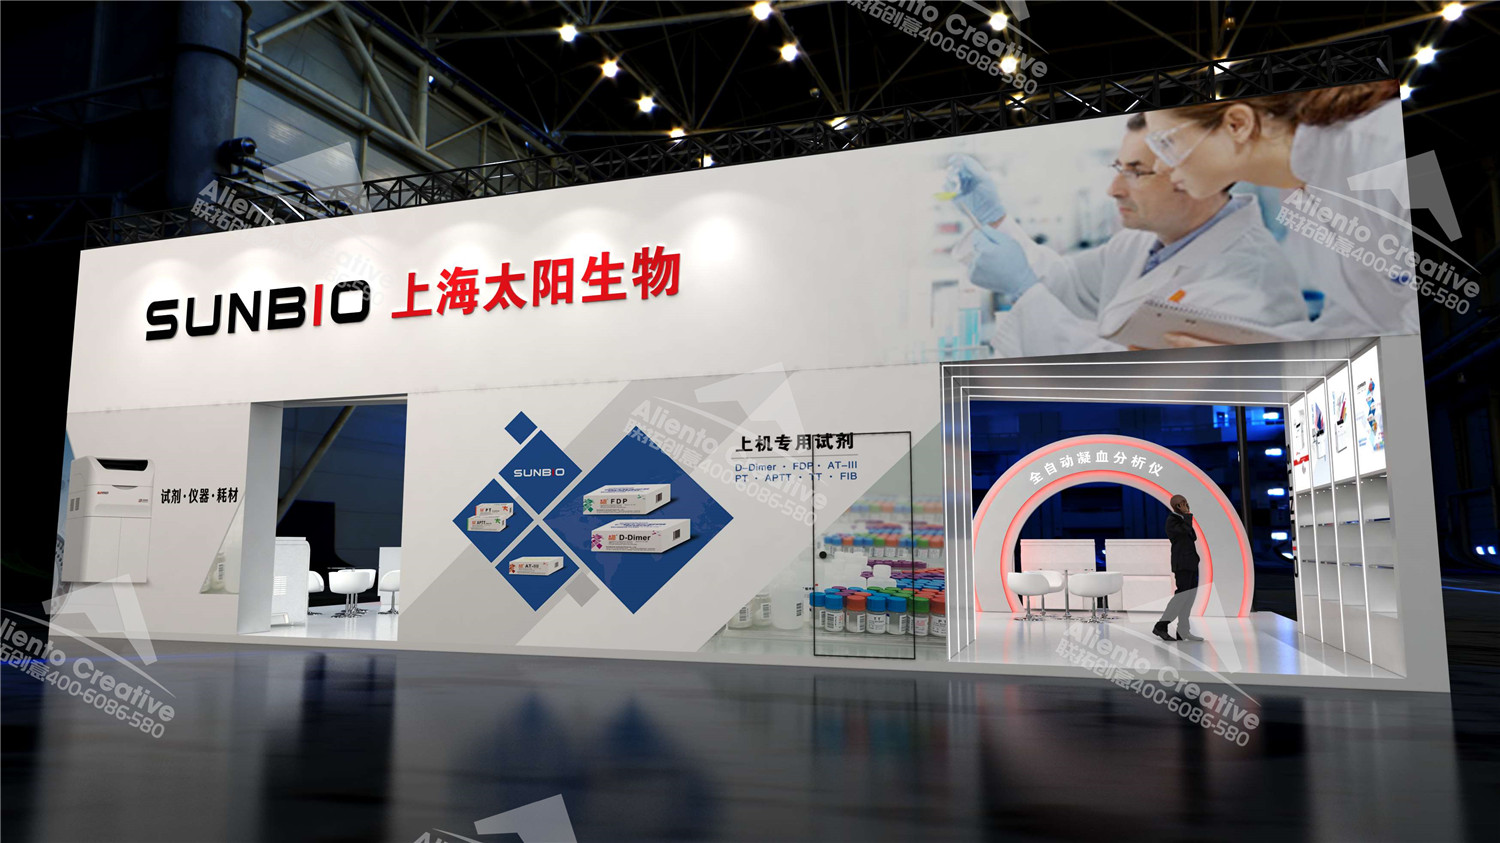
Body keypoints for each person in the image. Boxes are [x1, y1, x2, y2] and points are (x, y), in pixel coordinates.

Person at [946, 113, 1308, 358]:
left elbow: (1119, 382)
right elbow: (1067, 285)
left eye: (1136, 172)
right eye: (1119, 168)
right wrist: (994, 220)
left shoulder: (1248, 281)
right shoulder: (1142, 241)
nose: (1114, 190)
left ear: (1194, 173)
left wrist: (1023, 289)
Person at [1141, 81, 1417, 340]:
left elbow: (1430, 334)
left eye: (1166, 144)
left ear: (1238, 124)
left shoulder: (1391, 150)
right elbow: (1361, 318)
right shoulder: (1297, 190)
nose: (1159, 167)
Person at [1154, 494, 1204, 642]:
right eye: (1183, 503)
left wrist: (1186, 517)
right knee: (1181, 596)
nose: (1186, 505)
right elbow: (1184, 532)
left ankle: (1183, 630)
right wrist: (1187, 516)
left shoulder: (1183, 520)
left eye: (1186, 502)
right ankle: (1161, 626)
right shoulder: (1172, 520)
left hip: (1191, 563)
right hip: (1182, 564)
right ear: (1177, 506)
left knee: (1189, 598)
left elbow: (1193, 536)